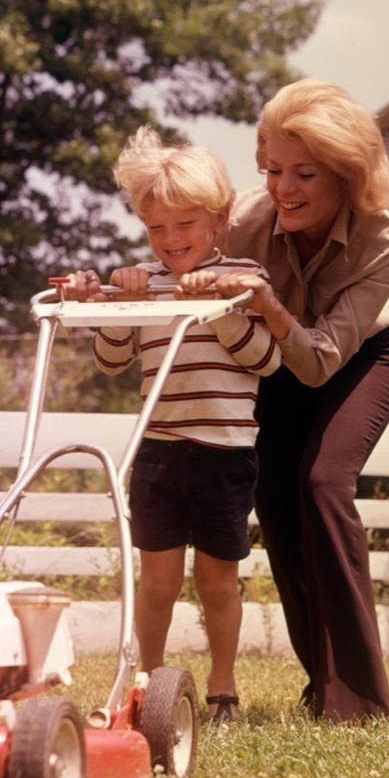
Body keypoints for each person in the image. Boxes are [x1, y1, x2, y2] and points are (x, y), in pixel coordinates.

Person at [105, 81, 389, 723]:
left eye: (305, 173)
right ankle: (319, 681)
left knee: (322, 484)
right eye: (272, 170)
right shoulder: (239, 219)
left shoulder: (386, 242)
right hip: (267, 357)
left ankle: (356, 699)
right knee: (274, 498)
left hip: (355, 356)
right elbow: (177, 249)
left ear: (347, 176)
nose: (284, 188)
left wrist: (270, 306)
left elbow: (322, 358)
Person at [63, 125, 280, 721]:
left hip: (225, 453)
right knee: (157, 583)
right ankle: (148, 685)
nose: (170, 239)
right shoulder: (144, 280)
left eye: (185, 224)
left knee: (216, 583)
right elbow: (111, 362)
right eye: (157, 227)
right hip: (159, 451)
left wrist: (218, 308)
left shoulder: (242, 279)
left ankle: (223, 689)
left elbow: (267, 359)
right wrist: (115, 306)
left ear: (217, 219)